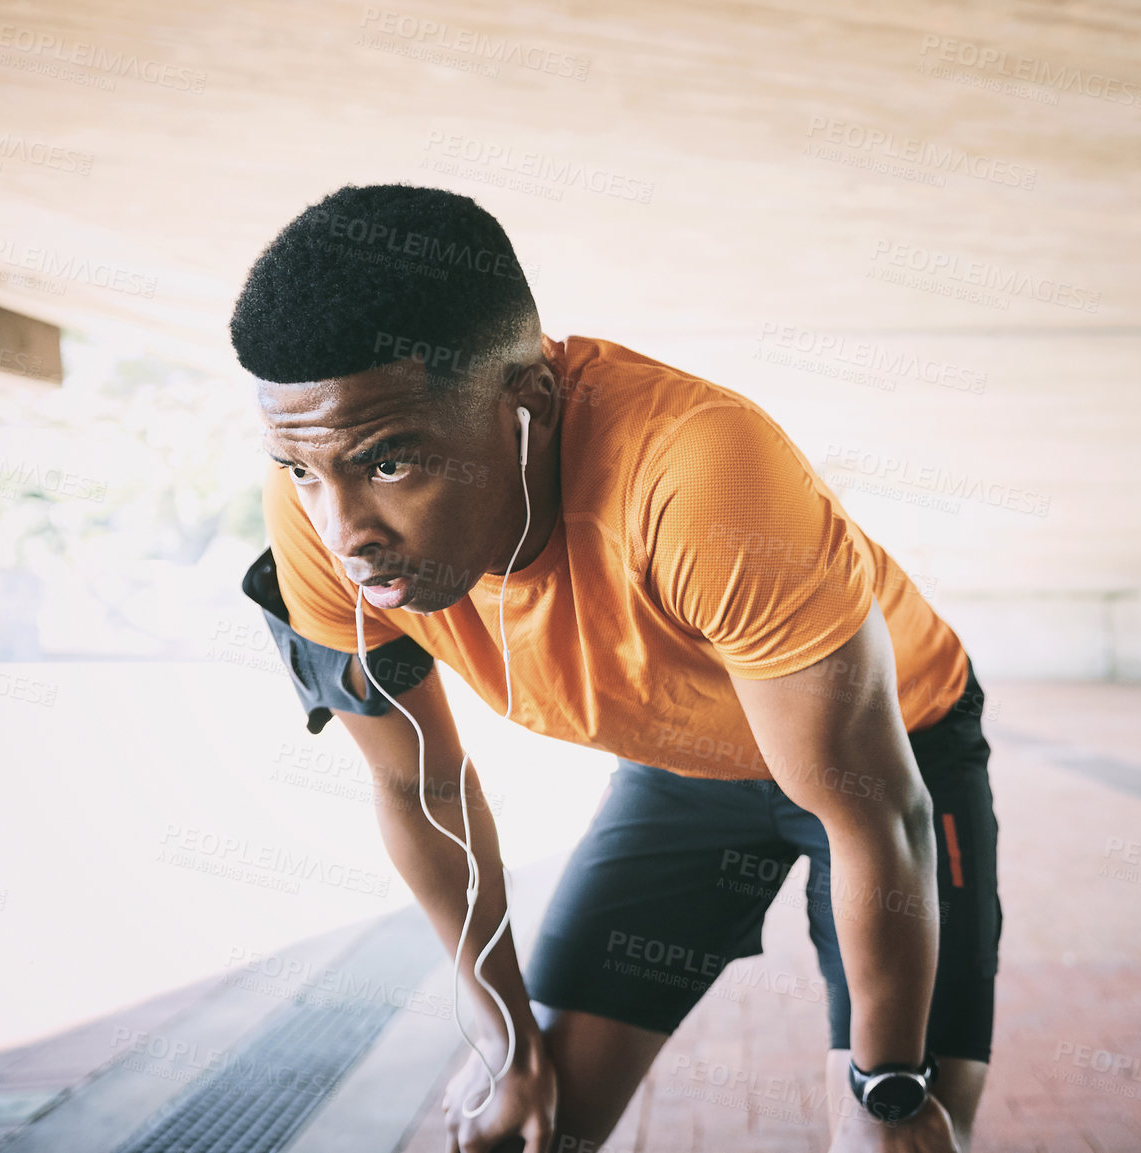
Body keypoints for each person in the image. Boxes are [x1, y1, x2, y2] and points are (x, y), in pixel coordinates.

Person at [229, 183, 1000, 1153]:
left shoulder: (697, 472)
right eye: (304, 470)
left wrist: (886, 1092)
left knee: (899, 1140)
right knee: (523, 1131)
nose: (346, 533)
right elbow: (417, 781)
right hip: (681, 766)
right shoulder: (319, 505)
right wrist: (504, 1041)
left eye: (391, 463)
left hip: (893, 755)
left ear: (531, 406)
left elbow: (877, 815)